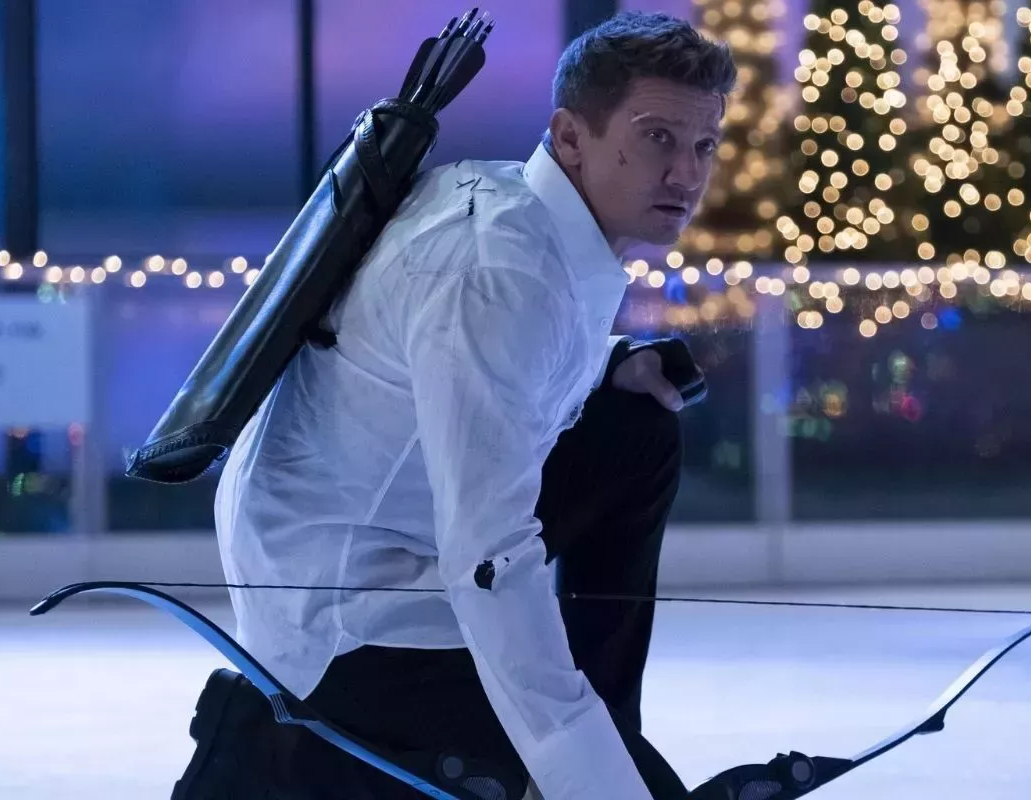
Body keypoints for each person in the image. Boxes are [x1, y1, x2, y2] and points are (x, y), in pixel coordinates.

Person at [169, 10, 735, 800]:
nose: (686, 174)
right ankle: (268, 738)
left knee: (635, 431)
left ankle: (606, 718)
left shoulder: (513, 206)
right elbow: (487, 554)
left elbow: (441, 354)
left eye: (704, 145)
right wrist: (583, 773)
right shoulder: (499, 271)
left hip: (389, 534)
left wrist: (610, 362)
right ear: (571, 137)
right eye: (657, 139)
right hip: (348, 613)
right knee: (622, 781)